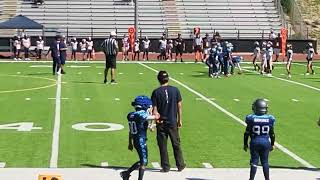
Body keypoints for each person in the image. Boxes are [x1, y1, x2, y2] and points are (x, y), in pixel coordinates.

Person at [151, 71, 186, 172]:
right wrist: (180, 119)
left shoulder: (156, 92)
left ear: (158, 79)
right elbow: (179, 106)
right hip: (172, 121)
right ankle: (180, 164)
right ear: (168, 79)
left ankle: (165, 166)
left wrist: (153, 123)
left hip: (161, 122)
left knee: (162, 145)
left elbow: (155, 109)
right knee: (176, 143)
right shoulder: (175, 90)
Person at [120, 96, 160, 180]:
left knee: (142, 161)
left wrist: (130, 142)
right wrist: (157, 116)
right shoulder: (141, 115)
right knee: (144, 161)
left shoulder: (131, 115)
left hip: (135, 139)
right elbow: (155, 117)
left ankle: (126, 173)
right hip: (140, 140)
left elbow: (131, 130)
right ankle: (128, 174)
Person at [243, 99, 276, 180]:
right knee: (265, 162)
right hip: (265, 142)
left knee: (254, 162)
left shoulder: (251, 118)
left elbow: (246, 133)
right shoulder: (270, 118)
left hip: (255, 141)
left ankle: (251, 179)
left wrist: (245, 144)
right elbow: (272, 133)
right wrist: (272, 144)